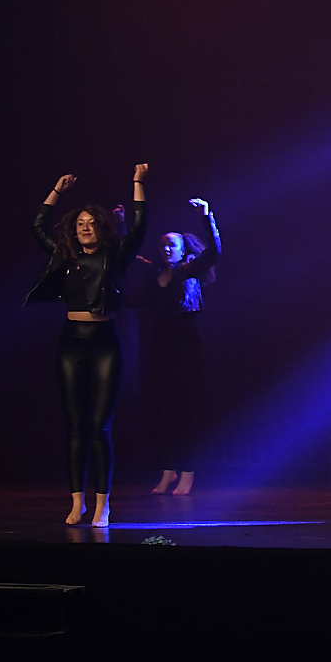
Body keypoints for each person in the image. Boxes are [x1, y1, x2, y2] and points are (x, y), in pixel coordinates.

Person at [27, 166, 149, 527]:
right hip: (71, 342)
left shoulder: (115, 255)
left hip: (105, 343)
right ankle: (76, 502)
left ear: (100, 227)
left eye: (91, 223)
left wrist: (137, 183)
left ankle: (102, 505)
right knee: (76, 427)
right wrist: (56, 190)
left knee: (99, 427)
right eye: (80, 223)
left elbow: (139, 226)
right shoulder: (65, 255)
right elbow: (37, 226)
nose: (85, 227)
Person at [132, 197, 222, 497]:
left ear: (183, 250)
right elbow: (127, 255)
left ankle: (187, 472)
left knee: (185, 410)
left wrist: (207, 216)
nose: (167, 249)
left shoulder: (189, 270)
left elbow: (214, 251)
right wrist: (119, 225)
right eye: (163, 245)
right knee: (162, 409)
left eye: (172, 245)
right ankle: (168, 469)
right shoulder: (154, 273)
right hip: (161, 345)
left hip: (187, 344)